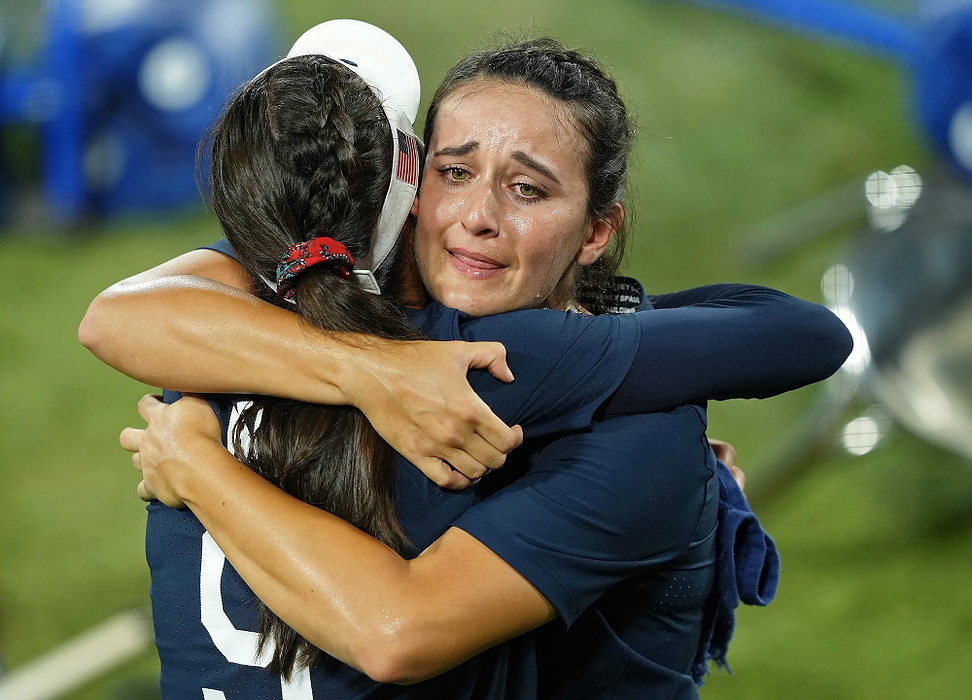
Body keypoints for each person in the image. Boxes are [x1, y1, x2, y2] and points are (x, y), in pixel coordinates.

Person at [84, 24, 852, 699]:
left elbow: (120, 315)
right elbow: (803, 334)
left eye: (526, 188)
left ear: (595, 231)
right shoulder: (586, 398)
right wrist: (374, 372)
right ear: (410, 181)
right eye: (456, 173)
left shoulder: (243, 321)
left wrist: (195, 460)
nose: (480, 218)